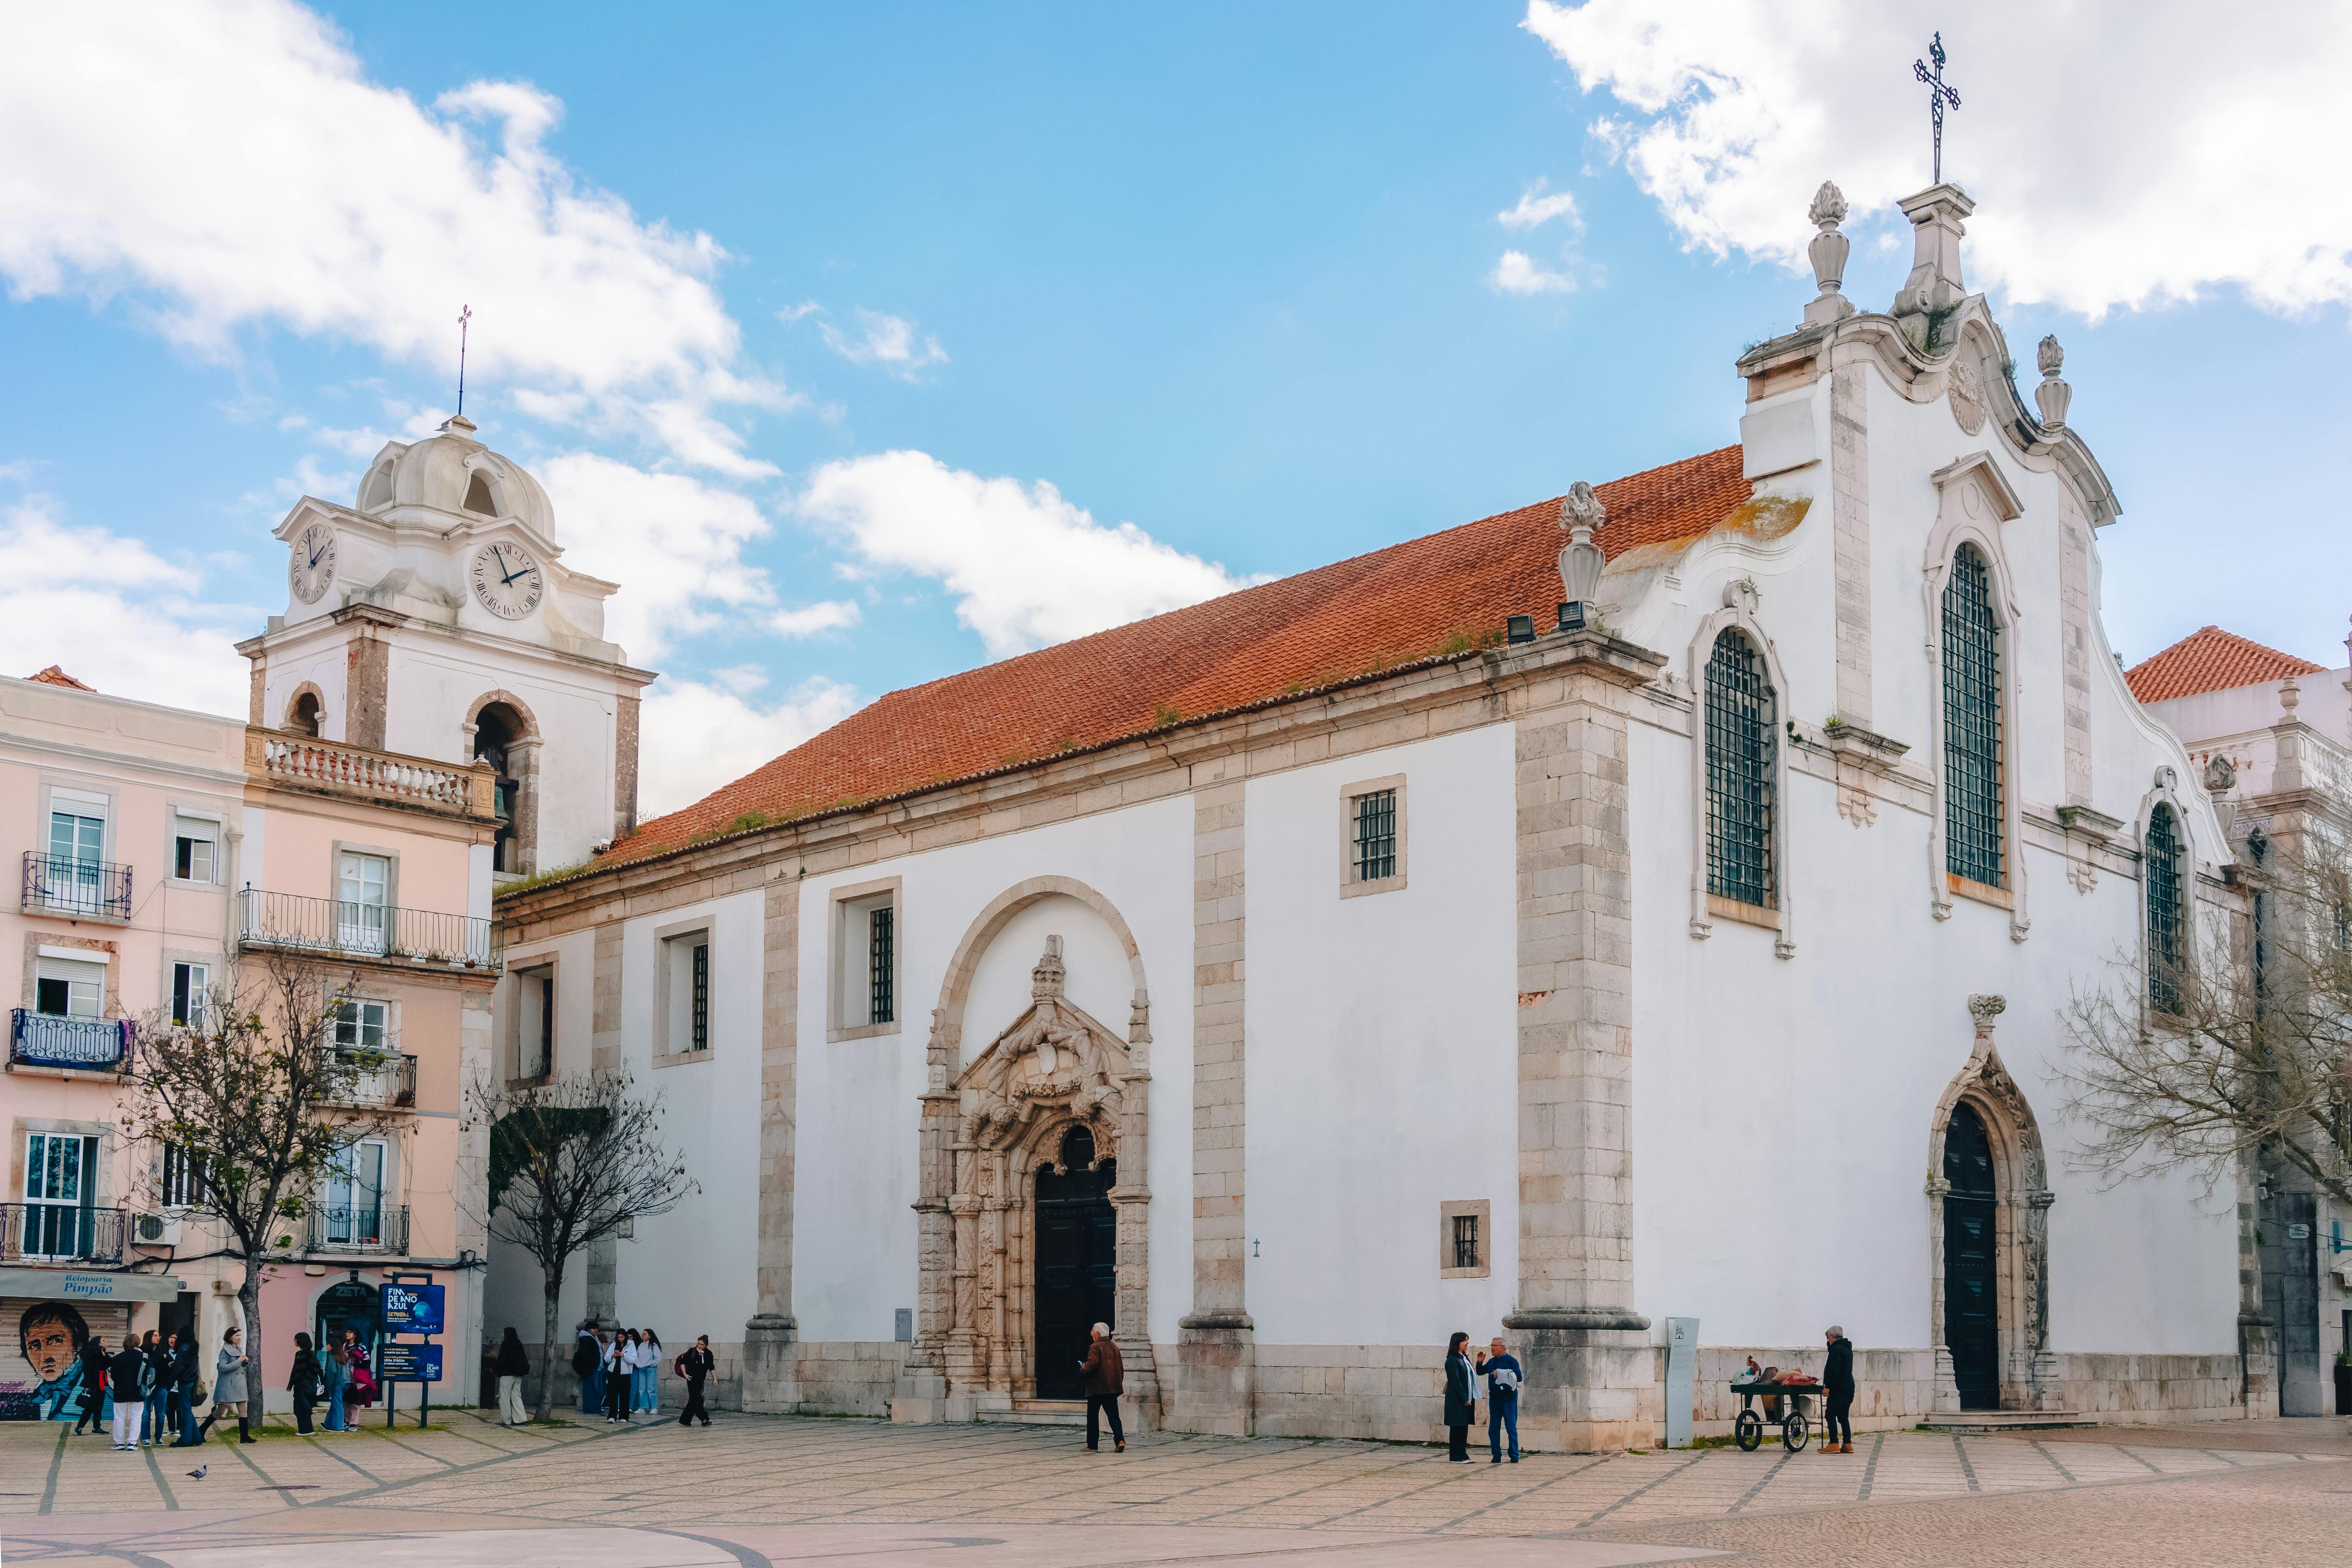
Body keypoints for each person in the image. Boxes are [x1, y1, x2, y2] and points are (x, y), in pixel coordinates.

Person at [18, 1301, 100, 1425]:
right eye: (35, 1346)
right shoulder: (36, 1396)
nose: (45, 1357)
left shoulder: (103, 1402)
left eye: (56, 1341)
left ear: (78, 1345)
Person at [200, 1326, 256, 1444]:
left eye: (240, 1335)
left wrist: (245, 1362)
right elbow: (223, 1368)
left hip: (239, 1384)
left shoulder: (238, 1348)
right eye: (237, 1336)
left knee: (243, 1410)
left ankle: (244, 1437)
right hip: (228, 1385)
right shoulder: (225, 1350)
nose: (239, 1338)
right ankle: (201, 1430)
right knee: (220, 1412)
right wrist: (239, 1362)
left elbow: (239, 1365)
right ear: (230, 1337)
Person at [1475, 1336, 1522, 1464]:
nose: (1492, 1348)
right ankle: (1496, 1455)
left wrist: (1501, 1373)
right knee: (1494, 1428)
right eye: (1491, 1345)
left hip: (1508, 1399)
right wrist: (1480, 1362)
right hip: (1495, 1399)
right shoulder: (1491, 1361)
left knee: (1511, 1427)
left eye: (1495, 1346)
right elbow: (1481, 1372)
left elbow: (1519, 1377)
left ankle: (1514, 1455)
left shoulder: (1511, 1361)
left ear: (1502, 1347)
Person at [1080, 1322, 1125, 1453]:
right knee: (1114, 1416)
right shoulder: (1114, 1347)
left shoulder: (1095, 1347)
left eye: (1092, 1332)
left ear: (1097, 1334)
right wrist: (1117, 1383)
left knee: (1093, 1417)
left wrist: (1083, 1368)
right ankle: (1120, 1440)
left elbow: (1093, 1364)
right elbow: (1120, 1368)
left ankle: (1092, 1445)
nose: (1091, 1334)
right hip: (1112, 1388)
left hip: (1097, 1389)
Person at [1442, 1332, 1477, 1462]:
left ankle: (1462, 1454)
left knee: (1463, 1427)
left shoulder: (1464, 1358)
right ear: (1457, 1342)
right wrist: (1464, 1398)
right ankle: (1456, 1456)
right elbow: (1455, 1381)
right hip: (1457, 1400)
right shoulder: (1452, 1360)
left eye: (1468, 1340)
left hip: (1466, 1398)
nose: (1467, 1343)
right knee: (1457, 1427)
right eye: (1465, 1341)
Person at [108, 1334, 147, 1451]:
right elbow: (148, 1375)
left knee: (119, 1417)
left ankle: (119, 1443)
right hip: (138, 1391)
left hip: (121, 1391)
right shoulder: (144, 1357)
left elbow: (113, 1376)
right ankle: (132, 1443)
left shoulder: (117, 1358)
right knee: (136, 1417)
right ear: (138, 1343)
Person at [1821, 1324, 1855, 1455]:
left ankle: (1834, 1444)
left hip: (1839, 1389)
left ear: (1831, 1336)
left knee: (1830, 1414)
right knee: (1843, 1417)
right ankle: (1847, 1444)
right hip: (1849, 1387)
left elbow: (1834, 1371)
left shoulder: (1836, 1350)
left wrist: (1828, 1387)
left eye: (1828, 1338)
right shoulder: (1847, 1349)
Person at [74, 1332, 111, 1435]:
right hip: (94, 1383)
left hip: (102, 1383)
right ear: (98, 1343)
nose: (105, 1342)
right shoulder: (90, 1355)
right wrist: (87, 1386)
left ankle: (97, 1427)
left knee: (99, 1406)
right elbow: (87, 1371)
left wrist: (105, 1355)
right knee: (90, 1406)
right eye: (103, 1341)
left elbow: (109, 1364)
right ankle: (80, 1426)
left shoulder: (103, 1354)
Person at [674, 1335, 714, 1428]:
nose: (699, 1346)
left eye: (702, 1344)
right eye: (699, 1344)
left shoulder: (709, 1354)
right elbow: (683, 1362)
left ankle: (685, 1420)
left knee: (693, 1399)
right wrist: (685, 1374)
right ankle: (704, 1419)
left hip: (701, 1380)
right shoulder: (692, 1351)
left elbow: (711, 1366)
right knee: (697, 1398)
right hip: (691, 1378)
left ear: (706, 1345)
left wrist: (715, 1378)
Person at [493, 1327, 531, 1425]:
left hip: (507, 1375)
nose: (502, 1334)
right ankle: (521, 1418)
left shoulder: (506, 1345)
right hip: (518, 1375)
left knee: (505, 1397)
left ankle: (507, 1420)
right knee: (517, 1396)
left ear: (507, 1334)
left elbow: (502, 1361)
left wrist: (497, 1370)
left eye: (504, 1333)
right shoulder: (519, 1344)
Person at [171, 1330, 202, 1446]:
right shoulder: (194, 1347)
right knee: (188, 1410)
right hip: (192, 1381)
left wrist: (170, 1382)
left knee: (185, 1412)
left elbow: (179, 1367)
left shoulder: (183, 1348)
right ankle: (197, 1437)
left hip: (184, 1382)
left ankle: (186, 1439)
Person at [140, 1330, 171, 1448]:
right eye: (155, 1336)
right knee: (146, 1414)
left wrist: (161, 1361)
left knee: (161, 1414)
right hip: (147, 1386)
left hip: (161, 1385)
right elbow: (147, 1364)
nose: (158, 1338)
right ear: (149, 1337)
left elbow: (169, 1365)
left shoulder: (163, 1350)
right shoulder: (143, 1351)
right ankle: (146, 1438)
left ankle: (158, 1437)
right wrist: (161, 1360)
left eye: (159, 1335)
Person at [290, 1332, 322, 1435]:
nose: (294, 1342)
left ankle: (307, 1429)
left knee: (304, 1407)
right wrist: (291, 1384)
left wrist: (306, 1381)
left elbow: (316, 1368)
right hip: (299, 1385)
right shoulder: (299, 1354)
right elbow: (295, 1370)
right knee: (299, 1407)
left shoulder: (310, 1354)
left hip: (305, 1385)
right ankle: (303, 1429)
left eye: (295, 1340)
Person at [574, 1325, 603, 1416]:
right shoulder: (587, 1339)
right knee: (592, 1389)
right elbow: (586, 1355)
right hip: (592, 1369)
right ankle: (591, 1408)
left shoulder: (594, 1338)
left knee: (596, 1389)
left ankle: (595, 1407)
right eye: (594, 1328)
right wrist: (593, 1365)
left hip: (597, 1368)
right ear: (589, 1330)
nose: (596, 1330)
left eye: (597, 1329)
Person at [321, 1334, 348, 1431]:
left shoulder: (333, 1358)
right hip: (346, 1383)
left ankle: (338, 1426)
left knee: (337, 1405)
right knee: (335, 1404)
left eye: (328, 1345)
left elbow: (331, 1373)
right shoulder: (344, 1357)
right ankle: (328, 1424)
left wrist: (328, 1386)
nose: (327, 1346)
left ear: (332, 1347)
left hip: (337, 1384)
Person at [636, 1328, 663, 1418]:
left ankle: (654, 1407)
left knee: (651, 1388)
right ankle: (643, 1407)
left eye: (645, 1334)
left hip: (650, 1369)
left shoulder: (653, 1345)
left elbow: (658, 1357)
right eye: (642, 1334)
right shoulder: (641, 1345)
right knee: (642, 1388)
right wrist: (639, 1365)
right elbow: (637, 1357)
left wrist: (652, 1365)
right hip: (642, 1369)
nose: (643, 1336)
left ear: (650, 1336)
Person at [602, 1328, 628, 1422]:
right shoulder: (613, 1345)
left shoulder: (630, 1345)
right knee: (613, 1394)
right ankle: (612, 1416)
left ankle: (624, 1416)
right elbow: (606, 1358)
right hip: (614, 1371)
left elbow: (634, 1359)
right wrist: (613, 1356)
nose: (620, 1339)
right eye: (619, 1337)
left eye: (622, 1337)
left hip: (625, 1373)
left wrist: (623, 1356)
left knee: (624, 1395)